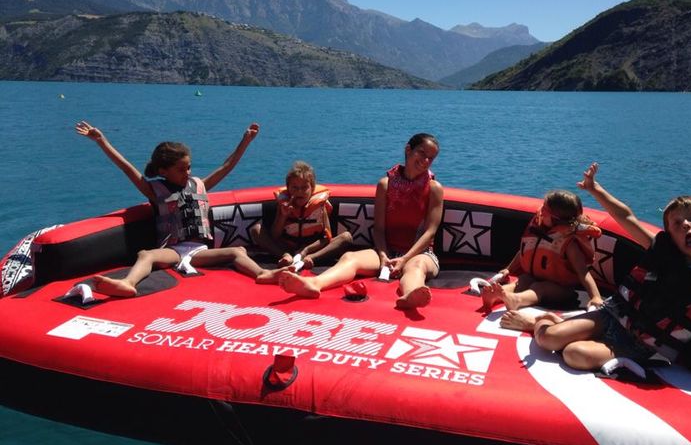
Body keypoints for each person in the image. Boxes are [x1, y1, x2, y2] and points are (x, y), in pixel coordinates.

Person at [531, 162, 691, 382]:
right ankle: (544, 321)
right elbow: (626, 217)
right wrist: (594, 188)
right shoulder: (659, 249)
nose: (686, 226)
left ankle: (560, 324)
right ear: (670, 234)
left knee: (574, 354)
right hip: (613, 315)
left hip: (645, 345)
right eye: (677, 223)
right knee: (548, 338)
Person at [75, 120, 276, 296]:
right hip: (172, 250)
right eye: (181, 169)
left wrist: (246, 141)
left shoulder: (199, 185)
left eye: (188, 167)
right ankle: (128, 283)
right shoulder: (155, 191)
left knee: (238, 251)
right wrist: (102, 141)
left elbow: (227, 166)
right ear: (163, 171)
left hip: (200, 251)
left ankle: (262, 273)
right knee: (146, 254)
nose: (187, 172)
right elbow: (127, 168)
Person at [279, 133, 443, 309]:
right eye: (422, 153)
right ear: (408, 150)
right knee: (350, 257)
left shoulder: (434, 189)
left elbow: (430, 232)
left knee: (416, 267)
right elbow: (379, 228)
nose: (425, 161)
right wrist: (382, 255)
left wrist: (405, 259)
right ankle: (314, 284)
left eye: (430, 158)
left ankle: (411, 295)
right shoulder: (385, 185)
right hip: (387, 251)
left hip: (421, 254)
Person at [480, 190, 604, 330]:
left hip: (561, 290)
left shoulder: (570, 243)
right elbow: (524, 251)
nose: (540, 212)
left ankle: (515, 300)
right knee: (524, 280)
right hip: (533, 278)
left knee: (540, 288)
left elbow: (583, 272)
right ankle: (497, 293)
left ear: (556, 219)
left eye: (544, 209)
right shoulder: (539, 227)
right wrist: (508, 269)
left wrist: (595, 297)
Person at [250, 160, 352, 278]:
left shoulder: (320, 206)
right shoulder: (284, 205)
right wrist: (283, 216)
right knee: (256, 230)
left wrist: (306, 250)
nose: (299, 191)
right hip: (286, 247)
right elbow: (274, 236)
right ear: (288, 189)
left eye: (304, 188)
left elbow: (327, 238)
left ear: (312, 188)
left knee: (346, 237)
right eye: (295, 187)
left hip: (312, 248)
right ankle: (285, 256)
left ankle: (310, 259)